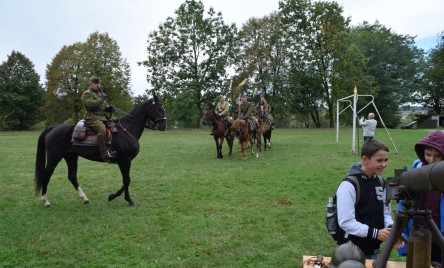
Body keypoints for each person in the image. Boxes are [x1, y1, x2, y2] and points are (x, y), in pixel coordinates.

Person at [336, 139, 404, 259]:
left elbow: (385, 213)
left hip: (373, 249)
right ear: (365, 160)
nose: (384, 164)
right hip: (350, 251)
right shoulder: (349, 184)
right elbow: (345, 221)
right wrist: (376, 233)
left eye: (386, 160)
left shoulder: (381, 182)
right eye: (379, 161)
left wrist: (393, 231)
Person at [397, 130, 444, 263]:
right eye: (428, 154)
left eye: (437, 156)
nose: (431, 160)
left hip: (440, 234)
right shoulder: (416, 169)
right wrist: (401, 231)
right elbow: (404, 202)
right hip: (419, 232)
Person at [81, 76, 116, 162]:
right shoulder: (87, 94)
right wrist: (101, 98)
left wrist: (109, 108)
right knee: (102, 129)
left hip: (102, 117)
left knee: (114, 127)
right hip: (92, 118)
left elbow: (103, 106)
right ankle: (104, 153)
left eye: (98, 83)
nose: (98, 85)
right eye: (96, 83)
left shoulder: (99, 94)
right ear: (91, 84)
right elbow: (91, 105)